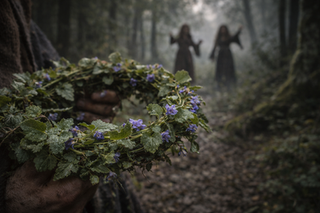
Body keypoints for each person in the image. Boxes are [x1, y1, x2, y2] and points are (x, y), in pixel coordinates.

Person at [0, 1, 143, 212]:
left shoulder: (22, 15)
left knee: (115, 182)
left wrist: (82, 103)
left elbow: (50, 76)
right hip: (36, 184)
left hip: (64, 166)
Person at [209, 25, 243, 89]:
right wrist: (212, 56)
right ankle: (220, 85)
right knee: (220, 69)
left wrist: (239, 30)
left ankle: (229, 85)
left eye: (224, 29)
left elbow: (235, 37)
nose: (223, 30)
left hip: (228, 55)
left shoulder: (229, 37)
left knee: (228, 69)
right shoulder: (218, 38)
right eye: (222, 29)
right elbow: (215, 47)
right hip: (221, 56)